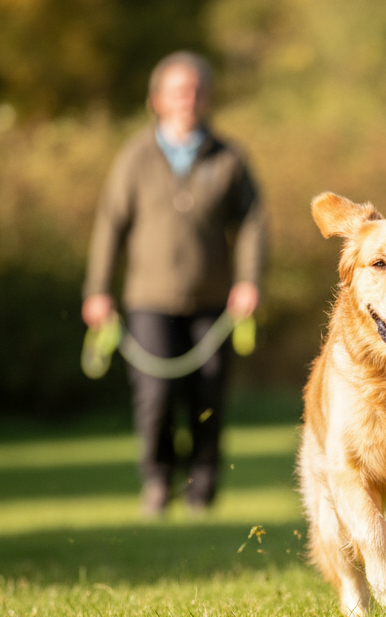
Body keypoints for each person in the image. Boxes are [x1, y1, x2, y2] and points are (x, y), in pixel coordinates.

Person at [82, 51, 266, 518]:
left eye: (197, 90)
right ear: (156, 100)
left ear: (207, 99)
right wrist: (97, 290)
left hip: (214, 303)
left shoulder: (228, 157)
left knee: (208, 397)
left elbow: (252, 222)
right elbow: (110, 225)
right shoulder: (135, 156)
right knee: (156, 396)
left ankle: (202, 490)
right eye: (179, 90)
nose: (189, 98)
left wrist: (248, 282)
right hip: (148, 301)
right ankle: (159, 481)